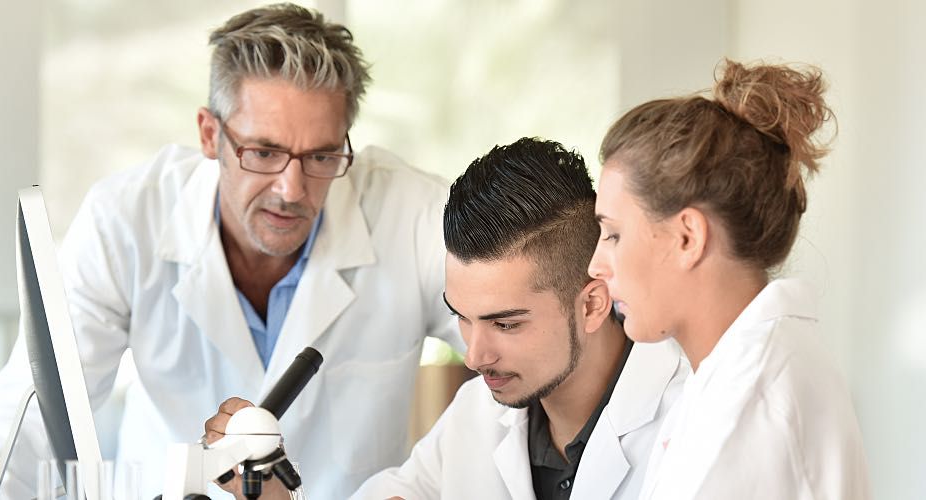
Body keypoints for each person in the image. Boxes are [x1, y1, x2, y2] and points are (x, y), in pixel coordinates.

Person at [0, 4, 461, 499]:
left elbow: (517, 366)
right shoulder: (127, 219)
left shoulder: (413, 214)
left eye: (321, 156)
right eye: (263, 152)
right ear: (210, 133)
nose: (291, 188)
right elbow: (29, 415)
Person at [207, 138, 686, 499]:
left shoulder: (689, 413)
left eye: (506, 324)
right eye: (462, 317)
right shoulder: (477, 415)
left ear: (592, 304)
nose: (475, 355)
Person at [587, 60, 871, 499]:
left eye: (614, 234)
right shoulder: (734, 376)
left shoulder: (750, 406)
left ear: (687, 237)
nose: (596, 266)